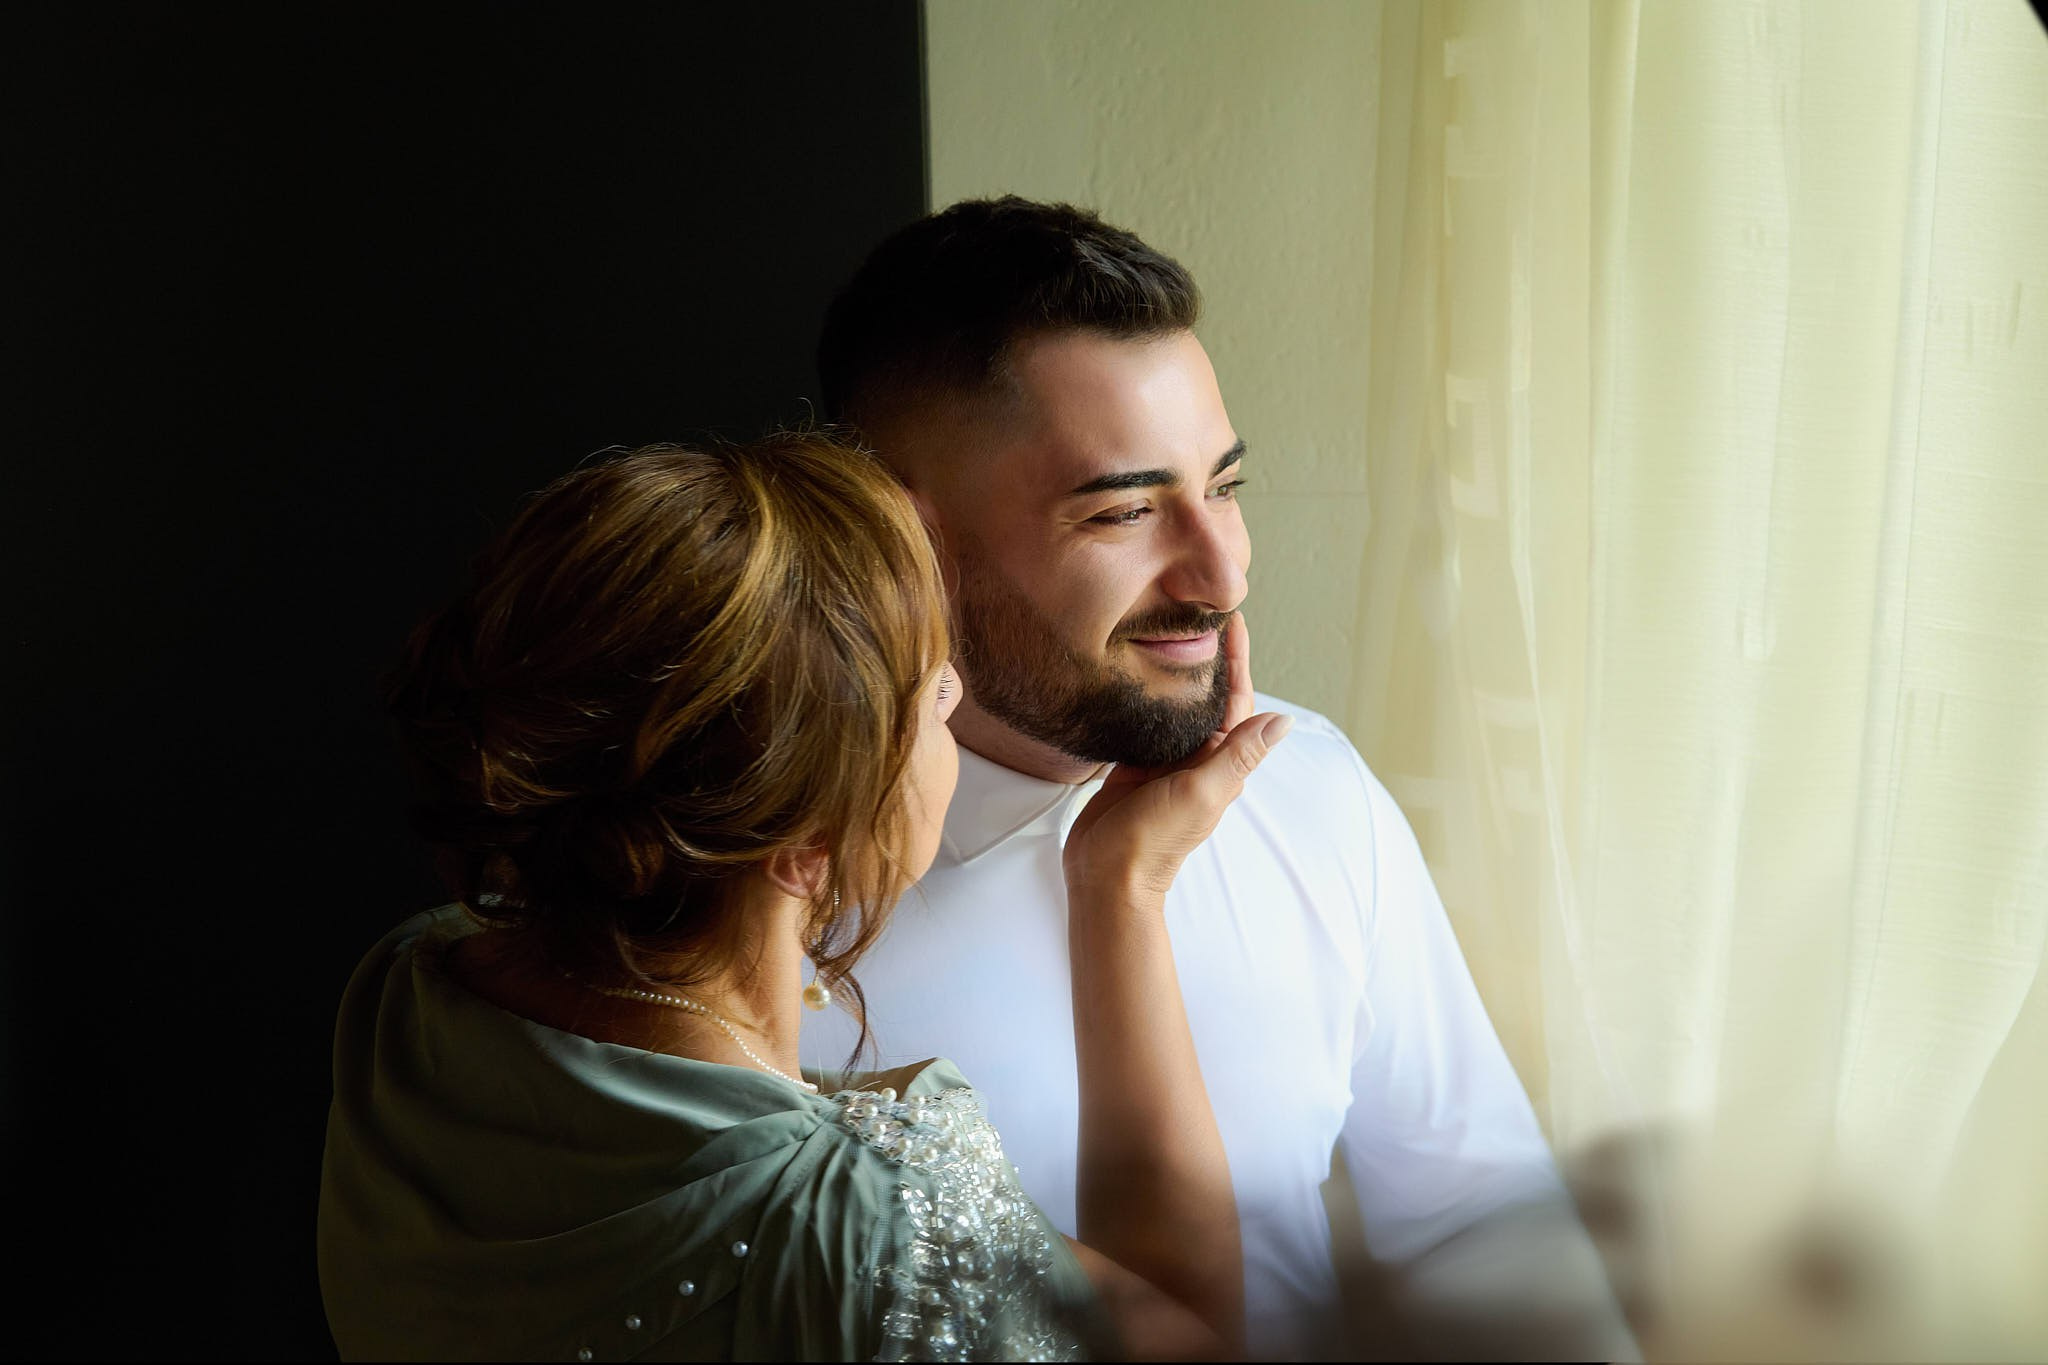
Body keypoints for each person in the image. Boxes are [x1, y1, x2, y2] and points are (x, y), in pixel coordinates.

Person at [806, 197, 1640, 1361]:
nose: (1222, 572)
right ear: (904, 542)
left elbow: (1480, 1226)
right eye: (1124, 509)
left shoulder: (1311, 789)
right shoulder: (763, 893)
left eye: (1225, 488)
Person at [317, 436, 1292, 1361]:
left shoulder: (414, 991)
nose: (957, 712)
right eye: (933, 700)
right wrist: (1123, 885)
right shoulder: (870, 1233)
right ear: (806, 846)